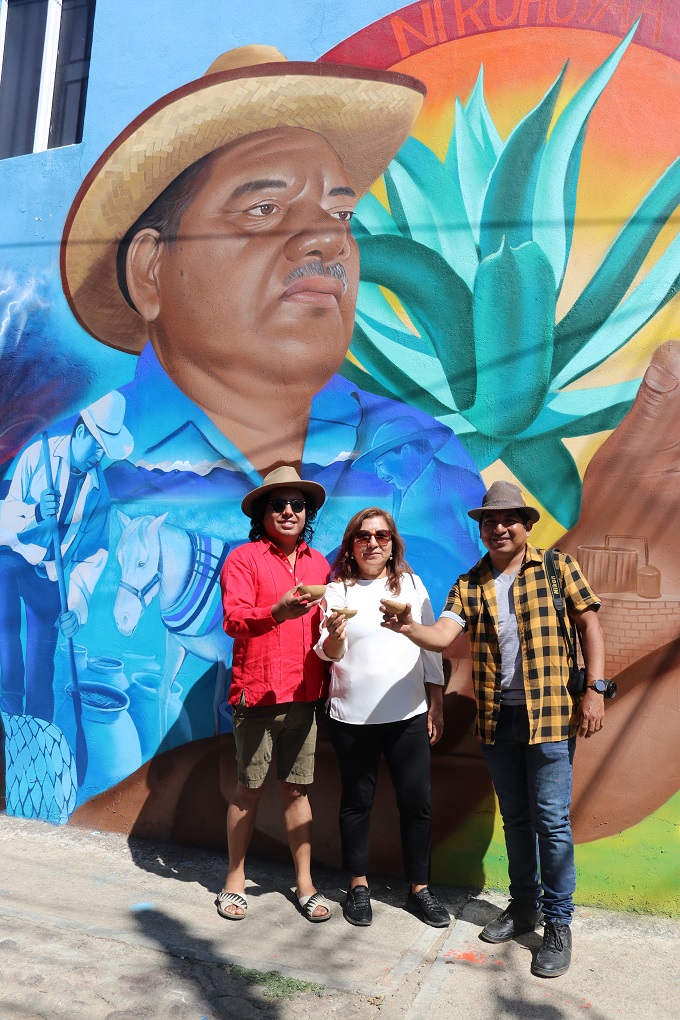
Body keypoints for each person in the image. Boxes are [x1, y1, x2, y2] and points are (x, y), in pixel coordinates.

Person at [60, 43, 485, 573]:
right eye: (264, 208)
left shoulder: (419, 458)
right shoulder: (62, 474)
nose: (330, 238)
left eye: (341, 213)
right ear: (151, 269)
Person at [382, 480, 607, 977]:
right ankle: (524, 905)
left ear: (526, 525)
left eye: (508, 519)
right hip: (497, 719)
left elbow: (590, 624)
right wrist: (408, 628)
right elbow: (442, 633)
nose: (499, 528)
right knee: (517, 820)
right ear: (480, 529)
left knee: (551, 822)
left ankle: (558, 922)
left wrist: (595, 689)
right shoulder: (469, 583)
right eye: (490, 521)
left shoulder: (557, 567)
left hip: (551, 716)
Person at [315, 507, 450, 928]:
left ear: (393, 544)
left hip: (408, 714)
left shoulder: (411, 585)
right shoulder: (336, 591)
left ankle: (420, 888)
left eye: (382, 536)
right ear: (350, 546)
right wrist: (334, 637)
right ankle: (357, 886)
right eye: (363, 536)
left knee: (417, 803)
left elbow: (431, 647)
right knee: (357, 802)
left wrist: (436, 704)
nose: (373, 543)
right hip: (351, 718)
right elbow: (329, 652)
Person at [217, 466, 332, 923]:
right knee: (248, 790)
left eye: (297, 505)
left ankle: (305, 884)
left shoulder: (319, 564)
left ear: (307, 514)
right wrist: (276, 612)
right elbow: (234, 619)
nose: (288, 511)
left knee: (297, 791)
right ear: (262, 514)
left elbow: (326, 628)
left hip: (305, 695)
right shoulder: (244, 559)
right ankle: (234, 880)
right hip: (259, 694)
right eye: (278, 504)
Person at [0, 392, 133, 721]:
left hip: (52, 575)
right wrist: (34, 512)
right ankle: (8, 709)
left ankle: (39, 730)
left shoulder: (98, 491)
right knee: (6, 635)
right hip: (14, 561)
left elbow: (93, 554)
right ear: (81, 431)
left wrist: (75, 606)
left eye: (105, 451)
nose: (100, 457)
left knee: (41, 664)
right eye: (98, 446)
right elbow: (4, 515)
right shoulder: (38, 455)